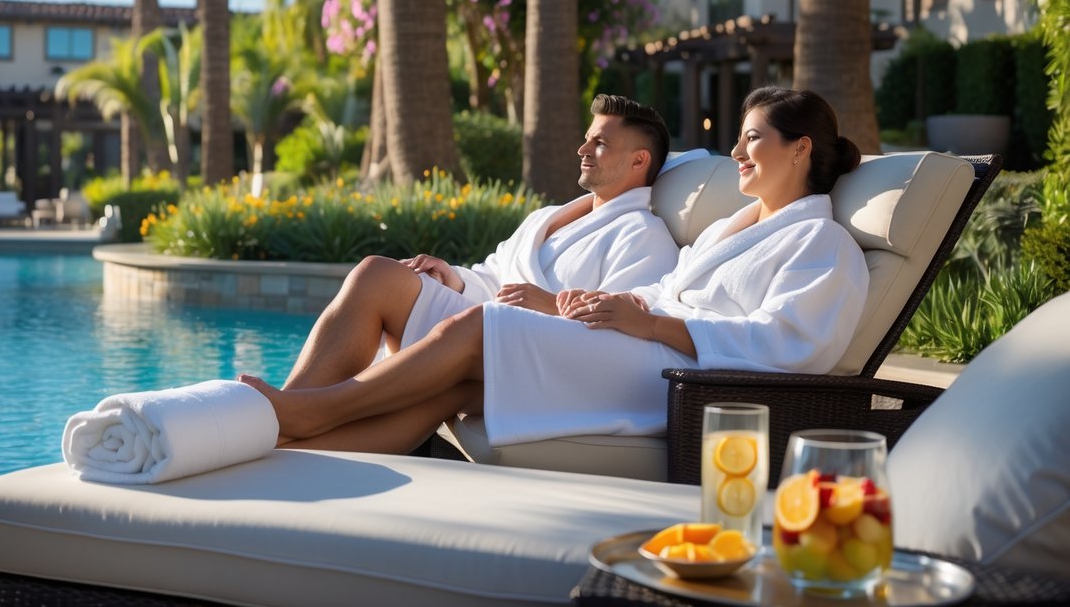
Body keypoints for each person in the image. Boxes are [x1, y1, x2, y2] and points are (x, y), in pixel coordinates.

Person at [240, 87, 869, 455]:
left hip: (684, 383)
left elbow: (789, 348)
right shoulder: (729, 230)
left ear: (801, 148)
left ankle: (310, 411)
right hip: (645, 353)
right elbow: (661, 293)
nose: (736, 152)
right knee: (468, 379)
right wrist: (581, 305)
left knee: (483, 331)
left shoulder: (824, 244)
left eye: (752, 139)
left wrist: (652, 327)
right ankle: (305, 448)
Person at [282, 93, 680, 391]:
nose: (582, 150)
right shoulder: (550, 217)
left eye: (600, 143)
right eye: (587, 138)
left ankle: (289, 412)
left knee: (380, 279)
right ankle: (293, 400)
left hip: (530, 352)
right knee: (377, 273)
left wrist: (551, 308)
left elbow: (625, 340)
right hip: (481, 324)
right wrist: (452, 279)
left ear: (639, 160)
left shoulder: (643, 236)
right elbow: (494, 275)